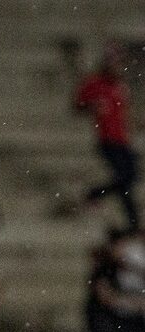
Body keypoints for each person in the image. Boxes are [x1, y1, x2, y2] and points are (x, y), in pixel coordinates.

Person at [75, 45, 139, 230]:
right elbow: (77, 105)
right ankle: (95, 195)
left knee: (128, 179)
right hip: (107, 140)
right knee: (126, 178)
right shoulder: (95, 83)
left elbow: (126, 112)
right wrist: (92, 106)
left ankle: (132, 222)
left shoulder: (120, 86)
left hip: (123, 140)